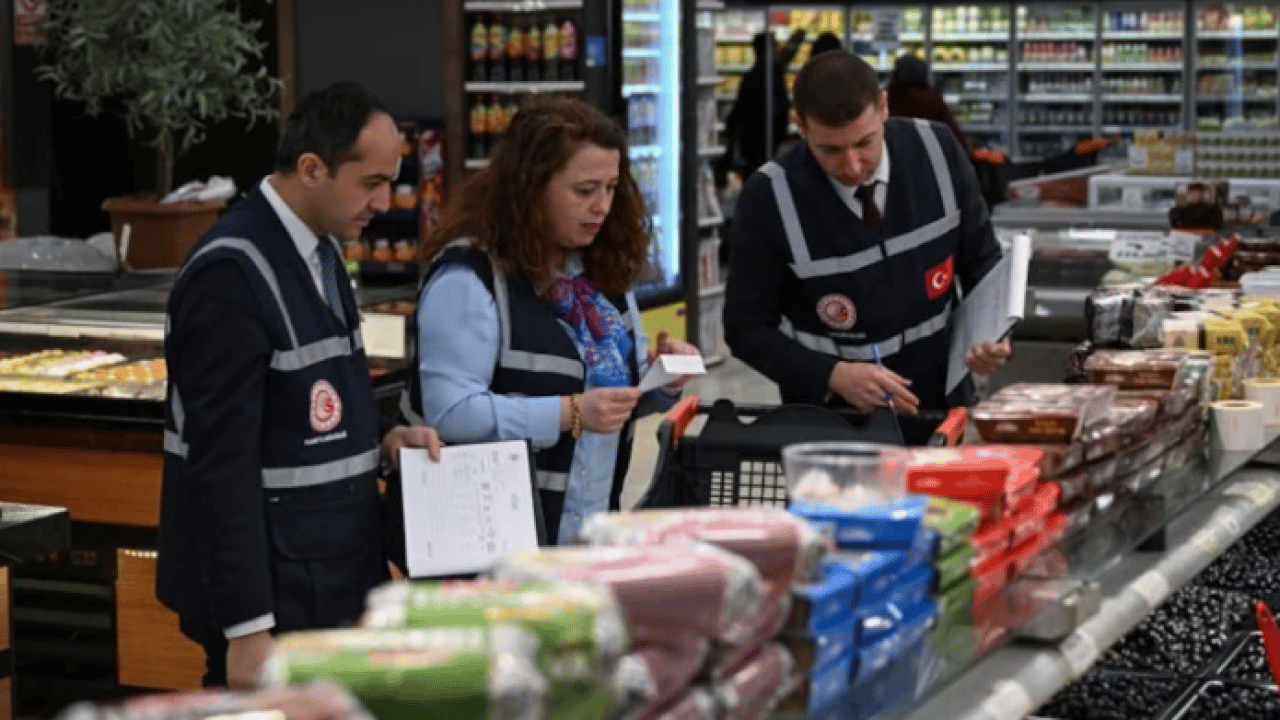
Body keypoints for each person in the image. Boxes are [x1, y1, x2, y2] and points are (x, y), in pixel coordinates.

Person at [157, 81, 443, 689]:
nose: (385, 200)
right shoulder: (230, 274)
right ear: (311, 169)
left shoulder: (324, 251)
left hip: (333, 585)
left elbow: (312, 409)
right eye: (371, 182)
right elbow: (219, 467)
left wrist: (384, 440)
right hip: (277, 606)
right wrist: (247, 630)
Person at [404, 97, 698, 546]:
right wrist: (571, 413)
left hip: (590, 534)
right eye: (584, 191)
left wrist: (663, 379)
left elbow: (615, 396)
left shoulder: (602, 275)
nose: (602, 206)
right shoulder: (470, 280)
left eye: (611, 188)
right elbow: (452, 412)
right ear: (530, 188)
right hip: (498, 544)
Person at [723, 52, 1010, 439]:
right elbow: (745, 328)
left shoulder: (939, 152)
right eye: (831, 151)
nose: (853, 166)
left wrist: (994, 332)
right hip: (830, 429)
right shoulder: (770, 196)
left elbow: (983, 262)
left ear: (884, 108)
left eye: (864, 143)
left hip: (939, 414)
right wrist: (832, 375)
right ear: (800, 127)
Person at [723, 29, 807, 179]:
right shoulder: (772, 72)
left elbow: (739, 110)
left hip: (752, 139)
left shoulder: (754, 76)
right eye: (775, 47)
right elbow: (788, 53)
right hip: (763, 137)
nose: (778, 50)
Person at [886, 53, 969, 152]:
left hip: (894, 155)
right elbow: (954, 134)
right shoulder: (931, 98)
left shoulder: (888, 97)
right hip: (930, 156)